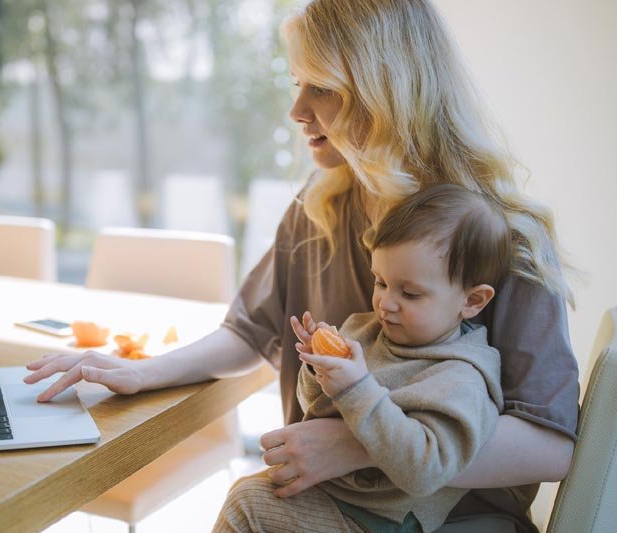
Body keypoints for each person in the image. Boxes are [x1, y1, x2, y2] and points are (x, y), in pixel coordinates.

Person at [23, 0, 579, 530]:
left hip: (451, 521)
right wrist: (144, 372)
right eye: (297, 85)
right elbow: (251, 331)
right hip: (323, 505)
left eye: (323, 89)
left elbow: (551, 444)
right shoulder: (321, 204)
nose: (296, 112)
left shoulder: (503, 235)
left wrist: (359, 445)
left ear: (386, 92)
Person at [214, 183, 511, 533]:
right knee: (247, 491)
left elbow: (425, 470)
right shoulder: (366, 330)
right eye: (380, 282)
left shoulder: (461, 377)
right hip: (334, 495)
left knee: (248, 506)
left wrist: (356, 387)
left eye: (410, 292)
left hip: (381, 520)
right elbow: (316, 410)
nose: (386, 302)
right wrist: (319, 370)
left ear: (473, 301)